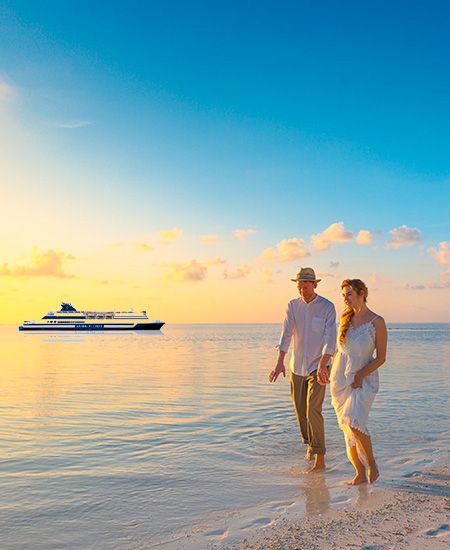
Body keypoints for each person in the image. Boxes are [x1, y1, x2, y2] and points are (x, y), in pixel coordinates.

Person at [269, 267, 337, 472]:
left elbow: (331, 337)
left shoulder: (327, 307)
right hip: (296, 366)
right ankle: (310, 444)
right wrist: (279, 361)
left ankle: (320, 459)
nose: (303, 290)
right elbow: (286, 334)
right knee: (300, 412)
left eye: (306, 286)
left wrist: (325, 363)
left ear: (315, 284)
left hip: (319, 366)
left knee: (312, 409)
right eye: (300, 286)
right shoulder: (293, 305)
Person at [329, 279, 387, 485]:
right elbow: (339, 351)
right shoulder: (345, 319)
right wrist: (325, 368)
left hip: (363, 379)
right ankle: (359, 472)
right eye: (343, 294)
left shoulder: (377, 322)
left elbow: (381, 357)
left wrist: (360, 375)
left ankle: (371, 463)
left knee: (353, 421)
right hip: (340, 380)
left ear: (362, 293)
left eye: (349, 294)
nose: (345, 298)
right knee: (346, 427)